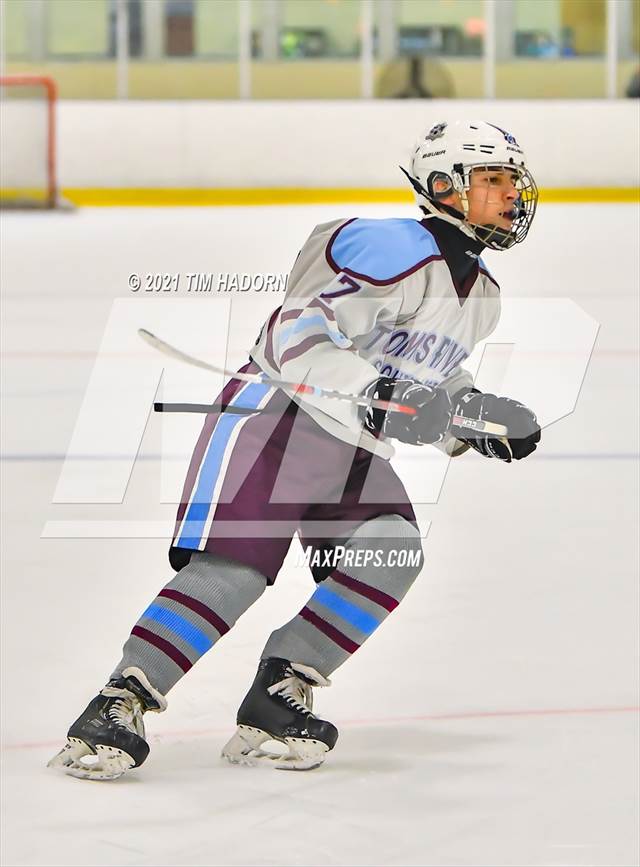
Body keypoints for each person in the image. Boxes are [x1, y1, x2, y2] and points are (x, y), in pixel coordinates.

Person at [48, 120, 541, 779]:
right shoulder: (388, 244)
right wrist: (378, 388)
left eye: (513, 178)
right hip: (278, 417)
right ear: (444, 186)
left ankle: (277, 697)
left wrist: (471, 417)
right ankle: (117, 703)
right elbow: (298, 333)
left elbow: (430, 381)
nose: (511, 192)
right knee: (236, 570)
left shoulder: (482, 297)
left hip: (353, 442)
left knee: (391, 553)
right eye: (493, 178)